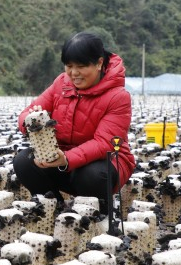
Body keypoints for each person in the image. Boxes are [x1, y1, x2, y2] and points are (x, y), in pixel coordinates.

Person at [12, 32, 135, 206]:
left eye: (81, 66)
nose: (74, 73)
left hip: (103, 161)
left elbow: (104, 143)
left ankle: (98, 209)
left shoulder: (118, 97)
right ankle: (52, 207)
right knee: (24, 161)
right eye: (69, 66)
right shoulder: (61, 83)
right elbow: (26, 113)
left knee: (91, 175)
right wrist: (31, 122)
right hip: (62, 157)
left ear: (99, 63)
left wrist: (67, 159)